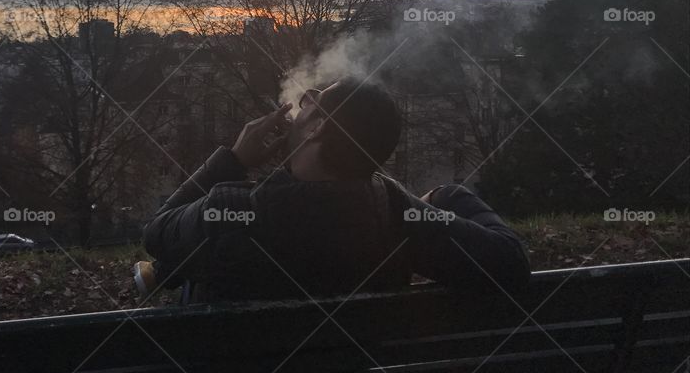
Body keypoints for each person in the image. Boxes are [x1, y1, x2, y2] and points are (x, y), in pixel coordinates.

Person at [138, 78, 530, 303]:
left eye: (313, 101)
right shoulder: (396, 217)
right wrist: (443, 196)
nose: (301, 103)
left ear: (317, 129)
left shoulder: (229, 211)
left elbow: (156, 232)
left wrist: (234, 159)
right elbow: (509, 261)